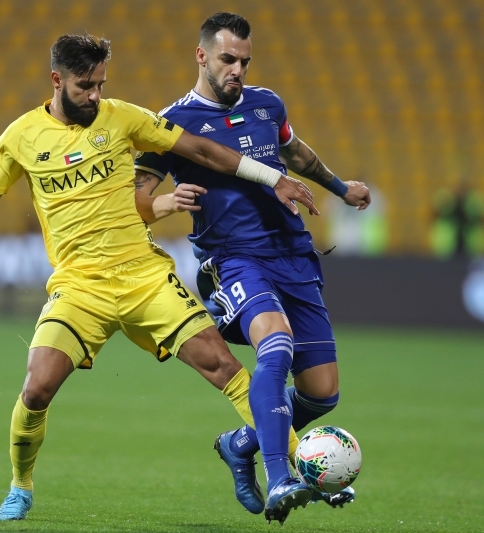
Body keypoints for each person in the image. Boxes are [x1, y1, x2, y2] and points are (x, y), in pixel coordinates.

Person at [0, 33, 317, 522]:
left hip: (144, 277)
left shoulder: (123, 117)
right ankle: (20, 486)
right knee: (36, 388)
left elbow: (200, 149)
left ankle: (300, 469)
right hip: (79, 286)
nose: (95, 95)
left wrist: (272, 175)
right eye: (85, 86)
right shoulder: (20, 137)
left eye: (101, 85)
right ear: (57, 80)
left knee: (225, 368)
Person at [133, 13, 371, 524]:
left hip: (293, 254)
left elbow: (295, 153)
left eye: (244, 61)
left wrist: (340, 187)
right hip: (233, 259)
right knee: (276, 345)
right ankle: (280, 475)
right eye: (227, 59)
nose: (237, 69)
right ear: (202, 56)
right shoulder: (170, 123)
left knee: (322, 394)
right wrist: (167, 202)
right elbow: (134, 200)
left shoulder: (267, 104)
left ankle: (240, 443)